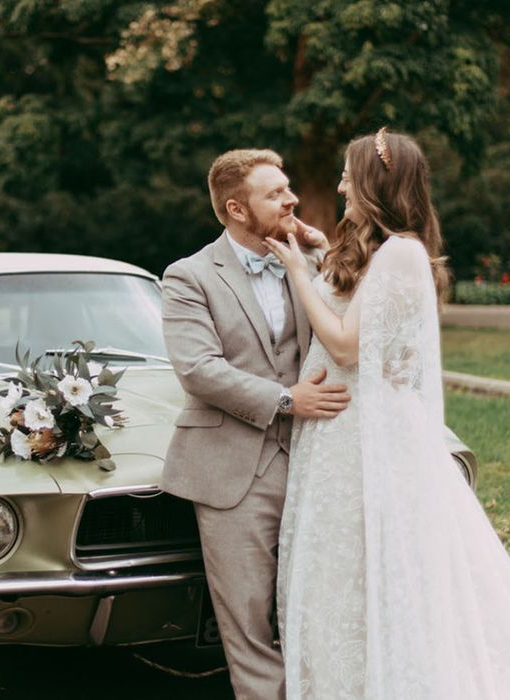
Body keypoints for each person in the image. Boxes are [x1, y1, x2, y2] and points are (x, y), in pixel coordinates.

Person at [265, 128, 510, 699]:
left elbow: (348, 346)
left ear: (375, 182)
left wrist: (300, 274)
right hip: (341, 431)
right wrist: (323, 253)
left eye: (350, 173)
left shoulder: (403, 253)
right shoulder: (381, 252)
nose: (341, 182)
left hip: (371, 435)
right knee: (344, 571)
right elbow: (357, 303)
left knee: (385, 565)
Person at [161, 148, 351, 699]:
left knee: (322, 599)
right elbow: (199, 370)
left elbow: (362, 305)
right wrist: (286, 400)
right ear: (237, 210)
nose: (292, 198)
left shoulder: (309, 260)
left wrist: (320, 246)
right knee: (247, 617)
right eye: (275, 193)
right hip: (232, 470)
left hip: (318, 457)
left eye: (288, 186)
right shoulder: (189, 276)